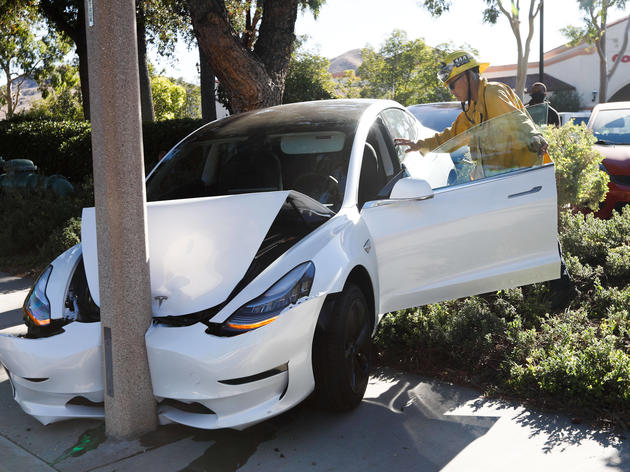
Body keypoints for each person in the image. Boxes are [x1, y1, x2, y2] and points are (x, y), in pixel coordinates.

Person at [394, 50, 549, 180]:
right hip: (499, 180)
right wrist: (421, 145)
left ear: (468, 75)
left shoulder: (492, 94)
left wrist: (534, 138)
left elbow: (517, 121)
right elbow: (452, 137)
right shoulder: (473, 109)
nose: (452, 91)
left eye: (452, 85)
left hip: (519, 180)